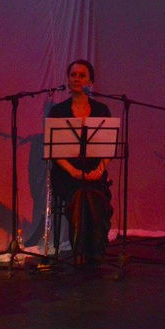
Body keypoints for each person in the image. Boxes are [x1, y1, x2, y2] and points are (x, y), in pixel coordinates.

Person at [47, 60, 113, 265]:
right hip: (66, 174)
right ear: (68, 79)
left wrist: (100, 169)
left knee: (92, 192)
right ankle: (83, 250)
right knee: (80, 192)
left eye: (82, 75)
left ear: (90, 81)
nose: (76, 79)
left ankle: (91, 249)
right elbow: (55, 151)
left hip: (94, 171)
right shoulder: (58, 111)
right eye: (73, 75)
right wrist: (73, 171)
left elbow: (108, 146)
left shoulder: (101, 109)